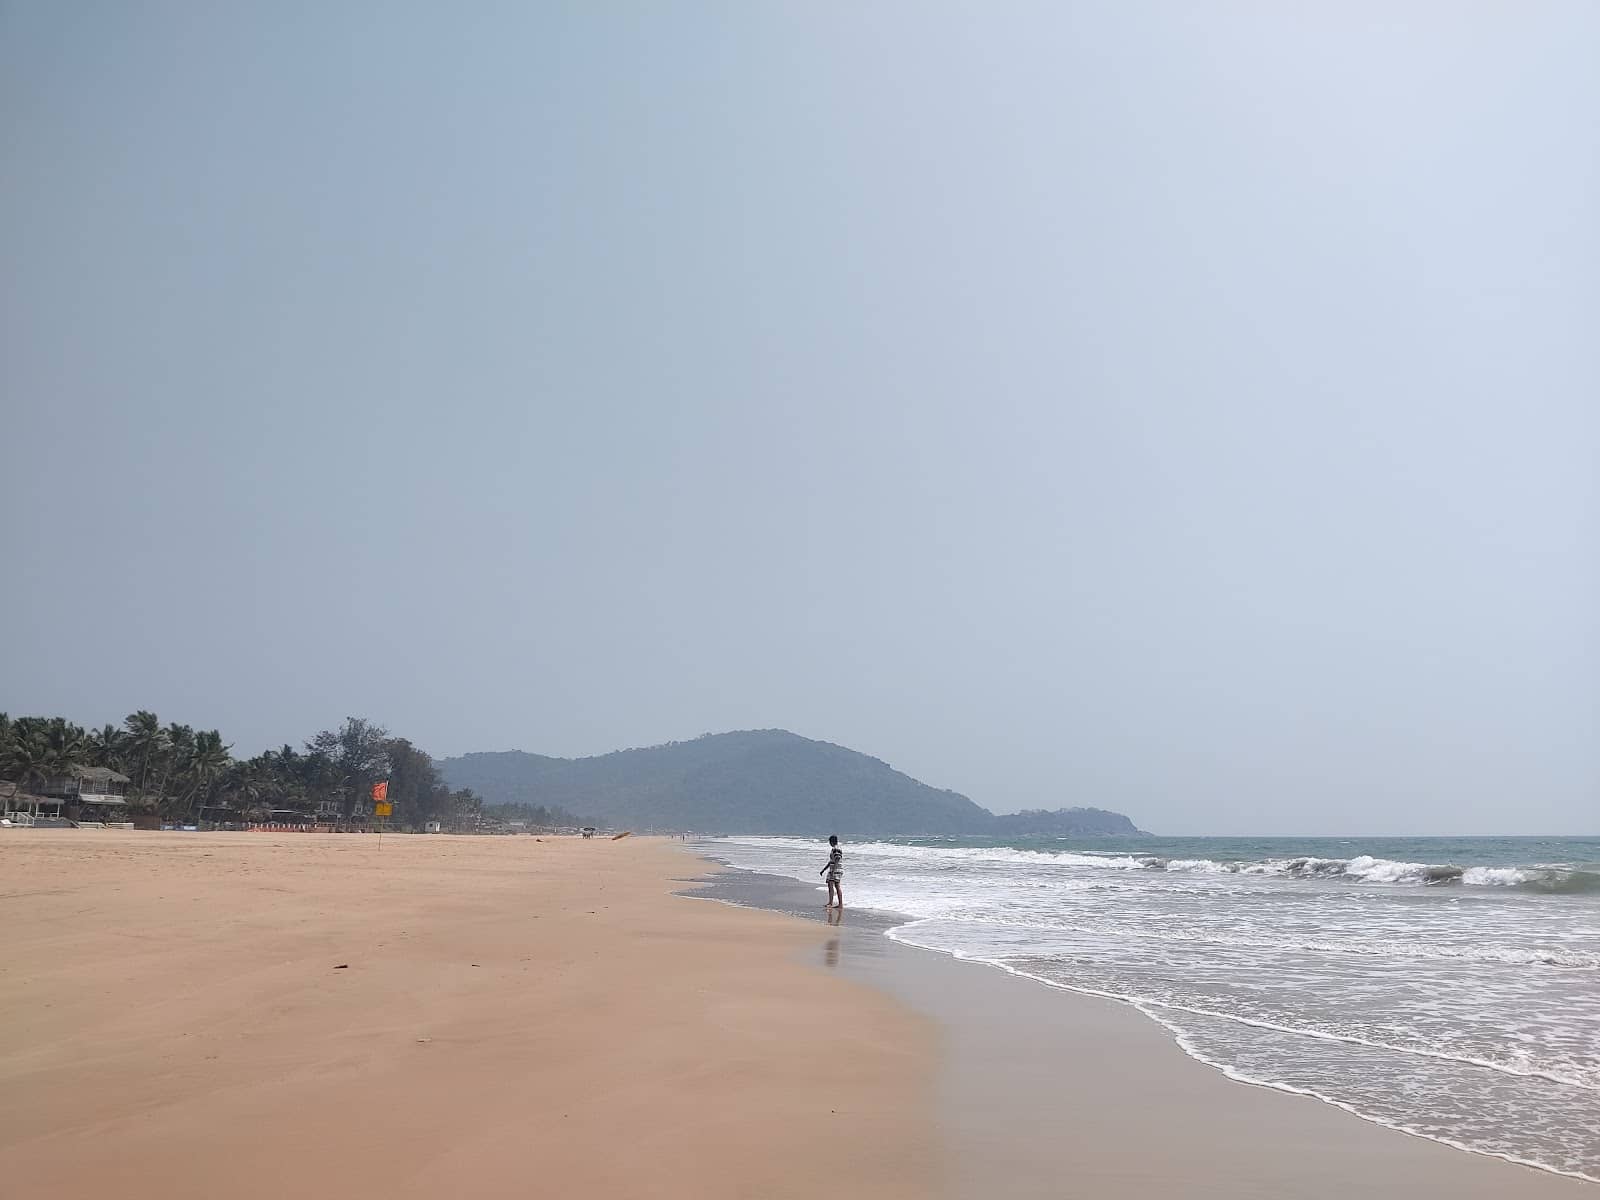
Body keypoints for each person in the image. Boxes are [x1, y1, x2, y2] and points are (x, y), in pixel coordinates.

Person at [819, 834, 843, 909]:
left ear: (832, 842)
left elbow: (837, 859)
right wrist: (824, 869)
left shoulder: (836, 849)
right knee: (836, 886)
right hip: (837, 869)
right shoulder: (835, 849)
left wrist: (833, 870)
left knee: (831, 885)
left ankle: (831, 903)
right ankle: (839, 904)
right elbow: (831, 861)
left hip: (835, 870)